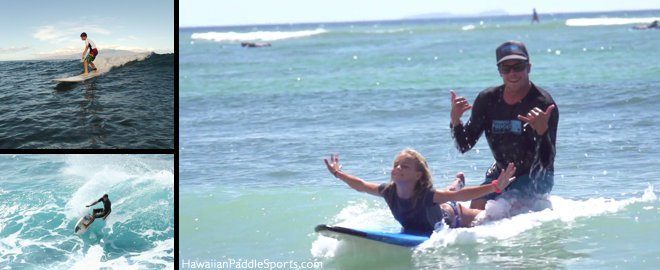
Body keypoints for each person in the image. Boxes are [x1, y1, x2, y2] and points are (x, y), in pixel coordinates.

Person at [450, 40, 558, 210]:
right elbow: (464, 145)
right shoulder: (487, 100)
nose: (513, 73)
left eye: (518, 67)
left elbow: (546, 163)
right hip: (501, 171)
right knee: (477, 207)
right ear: (499, 71)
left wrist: (543, 131)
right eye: (506, 69)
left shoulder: (543, 104)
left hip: (536, 176)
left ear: (529, 67)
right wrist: (455, 120)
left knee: (503, 208)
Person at [323, 149, 517, 235]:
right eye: (396, 165)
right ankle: (457, 181)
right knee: (446, 193)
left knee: (490, 217)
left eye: (405, 166)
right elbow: (362, 185)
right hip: (440, 205)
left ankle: (458, 183)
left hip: (456, 216)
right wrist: (338, 174)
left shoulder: (426, 194)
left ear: (418, 175)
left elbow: (459, 197)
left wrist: (495, 187)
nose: (398, 168)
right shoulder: (388, 191)